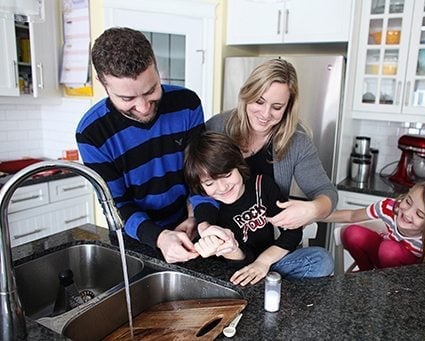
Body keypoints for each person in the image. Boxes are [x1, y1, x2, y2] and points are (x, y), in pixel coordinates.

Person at [75, 27, 225, 264]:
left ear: (156, 66)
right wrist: (160, 237)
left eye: (151, 90)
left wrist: (200, 217)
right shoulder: (92, 133)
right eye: (127, 99)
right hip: (138, 241)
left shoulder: (187, 104)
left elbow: (200, 175)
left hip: (193, 230)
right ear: (102, 83)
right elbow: (116, 204)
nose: (144, 107)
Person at [191, 58, 337, 238]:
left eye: (277, 107)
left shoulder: (298, 143)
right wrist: (198, 220)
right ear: (246, 95)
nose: (265, 114)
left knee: (321, 258)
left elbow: (326, 192)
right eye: (259, 102)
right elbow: (194, 182)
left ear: (288, 108)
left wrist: (313, 209)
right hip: (217, 238)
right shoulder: (217, 127)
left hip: (265, 242)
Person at [185, 131, 334, 286]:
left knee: (322, 259)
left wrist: (263, 262)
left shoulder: (263, 185)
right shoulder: (209, 210)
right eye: (210, 183)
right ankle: (271, 292)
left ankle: (271, 291)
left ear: (239, 165)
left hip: (270, 264)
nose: (222, 187)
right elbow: (232, 266)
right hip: (234, 276)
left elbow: (292, 232)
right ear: (201, 187)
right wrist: (233, 251)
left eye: (227, 175)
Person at [323, 181, 425, 271]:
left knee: (389, 249)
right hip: (381, 262)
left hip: (407, 280)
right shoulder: (388, 207)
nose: (407, 212)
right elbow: (351, 216)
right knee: (352, 233)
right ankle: (366, 275)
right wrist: (314, 216)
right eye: (408, 201)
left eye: (419, 214)